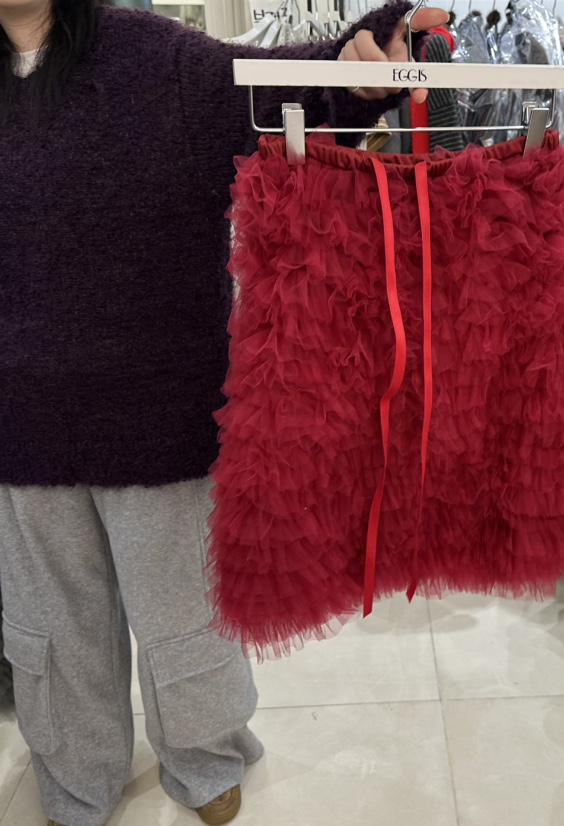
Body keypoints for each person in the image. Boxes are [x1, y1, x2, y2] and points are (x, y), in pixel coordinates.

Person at [0, 0, 447, 824]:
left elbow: (271, 92)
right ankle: (75, 777)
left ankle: (203, 758)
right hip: (17, 423)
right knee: (51, 626)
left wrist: (353, 69)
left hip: (160, 410)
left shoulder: (153, 58)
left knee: (183, 610)